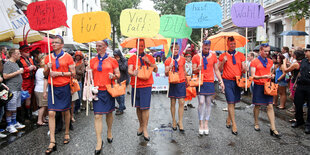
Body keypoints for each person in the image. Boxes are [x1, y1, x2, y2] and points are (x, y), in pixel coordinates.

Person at [43, 35, 75, 154]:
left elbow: (73, 73)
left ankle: (66, 132)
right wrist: (48, 68)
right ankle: (52, 141)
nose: (54, 44)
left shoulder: (68, 57)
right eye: (53, 43)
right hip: (52, 87)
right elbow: (45, 74)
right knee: (51, 112)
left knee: (66, 111)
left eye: (56, 43)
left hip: (64, 87)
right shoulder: (48, 58)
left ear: (62, 45)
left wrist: (60, 73)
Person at [90, 40, 120, 154]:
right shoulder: (92, 61)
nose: (98, 48)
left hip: (108, 90)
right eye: (96, 46)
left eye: (100, 46)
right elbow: (89, 76)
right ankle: (99, 141)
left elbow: (118, 74)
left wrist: (114, 76)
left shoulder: (112, 61)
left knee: (109, 113)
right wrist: (87, 71)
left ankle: (109, 131)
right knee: (97, 116)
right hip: (96, 91)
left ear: (106, 47)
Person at [192, 40, 224, 135]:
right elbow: (193, 71)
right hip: (200, 82)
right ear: (202, 47)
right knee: (201, 102)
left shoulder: (213, 56)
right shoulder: (196, 57)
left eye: (208, 48)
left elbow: (216, 70)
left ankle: (206, 124)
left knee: (208, 103)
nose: (207, 50)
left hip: (210, 81)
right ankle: (200, 123)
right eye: (205, 48)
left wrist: (220, 81)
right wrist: (198, 69)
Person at [128, 39, 158, 141]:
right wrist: (133, 73)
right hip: (136, 85)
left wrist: (148, 62)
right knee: (138, 107)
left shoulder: (149, 57)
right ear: (136, 46)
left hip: (146, 85)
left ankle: (145, 128)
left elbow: (156, 69)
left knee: (145, 108)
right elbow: (129, 70)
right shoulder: (132, 58)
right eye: (138, 45)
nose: (140, 47)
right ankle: (141, 125)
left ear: (144, 46)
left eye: (142, 45)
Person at [250, 43, 281, 138]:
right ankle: (256, 123)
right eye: (265, 51)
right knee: (257, 105)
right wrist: (263, 76)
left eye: (268, 51)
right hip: (258, 86)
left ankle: (273, 128)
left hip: (268, 86)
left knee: (270, 106)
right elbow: (252, 76)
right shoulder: (254, 62)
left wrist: (272, 75)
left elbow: (271, 72)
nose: (267, 53)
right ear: (260, 51)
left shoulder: (270, 61)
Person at [218, 36, 245, 135]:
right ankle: (234, 125)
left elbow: (243, 69)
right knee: (230, 102)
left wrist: (245, 68)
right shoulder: (222, 56)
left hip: (237, 81)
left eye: (234, 44)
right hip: (227, 81)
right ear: (227, 44)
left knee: (233, 103)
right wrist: (222, 62)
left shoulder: (241, 55)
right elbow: (219, 69)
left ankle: (228, 119)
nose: (233, 45)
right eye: (231, 44)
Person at [165, 43, 186, 132]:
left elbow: (184, 70)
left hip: (181, 82)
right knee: (173, 102)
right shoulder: (168, 60)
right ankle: (174, 120)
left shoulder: (183, 59)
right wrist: (169, 68)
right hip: (172, 82)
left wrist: (186, 80)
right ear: (171, 50)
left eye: (177, 49)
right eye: (174, 49)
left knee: (181, 102)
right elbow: (166, 73)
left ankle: (180, 121)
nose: (176, 51)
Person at [3, 48, 25, 133]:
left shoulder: (15, 63)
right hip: (12, 88)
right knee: (10, 108)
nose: (19, 55)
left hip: (18, 88)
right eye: (18, 53)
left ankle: (14, 122)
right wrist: (18, 72)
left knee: (15, 107)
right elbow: (5, 76)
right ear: (13, 54)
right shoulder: (8, 64)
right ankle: (9, 124)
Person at [291, 45, 310, 134]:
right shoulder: (304, 61)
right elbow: (299, 73)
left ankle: (308, 125)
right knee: (297, 103)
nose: (305, 53)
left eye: (307, 51)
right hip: (300, 85)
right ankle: (299, 120)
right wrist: (295, 84)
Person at [17, 44, 36, 120]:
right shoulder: (19, 60)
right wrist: (28, 69)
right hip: (23, 81)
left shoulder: (30, 59)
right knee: (21, 98)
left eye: (28, 50)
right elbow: (19, 71)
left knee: (29, 97)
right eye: (26, 51)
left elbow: (34, 67)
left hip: (30, 80)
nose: (28, 52)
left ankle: (28, 114)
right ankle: (21, 116)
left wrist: (34, 67)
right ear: (21, 52)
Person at [283, 50, 305, 114]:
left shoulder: (296, 64)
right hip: (299, 80)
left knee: (293, 96)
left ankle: (298, 110)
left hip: (295, 80)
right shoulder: (303, 62)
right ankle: (297, 109)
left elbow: (286, 70)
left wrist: (284, 63)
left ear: (296, 55)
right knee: (295, 96)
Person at [113, 49, 128, 115]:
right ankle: (122, 106)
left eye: (116, 55)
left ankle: (121, 109)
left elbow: (123, 68)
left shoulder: (124, 60)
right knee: (116, 95)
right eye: (114, 55)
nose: (115, 57)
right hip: (116, 79)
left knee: (121, 95)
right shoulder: (113, 60)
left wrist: (118, 61)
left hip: (124, 79)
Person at [35, 54, 48, 126]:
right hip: (42, 90)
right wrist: (44, 92)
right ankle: (39, 120)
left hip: (39, 89)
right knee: (42, 106)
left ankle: (42, 118)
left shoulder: (39, 70)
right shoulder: (42, 71)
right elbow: (45, 80)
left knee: (43, 105)